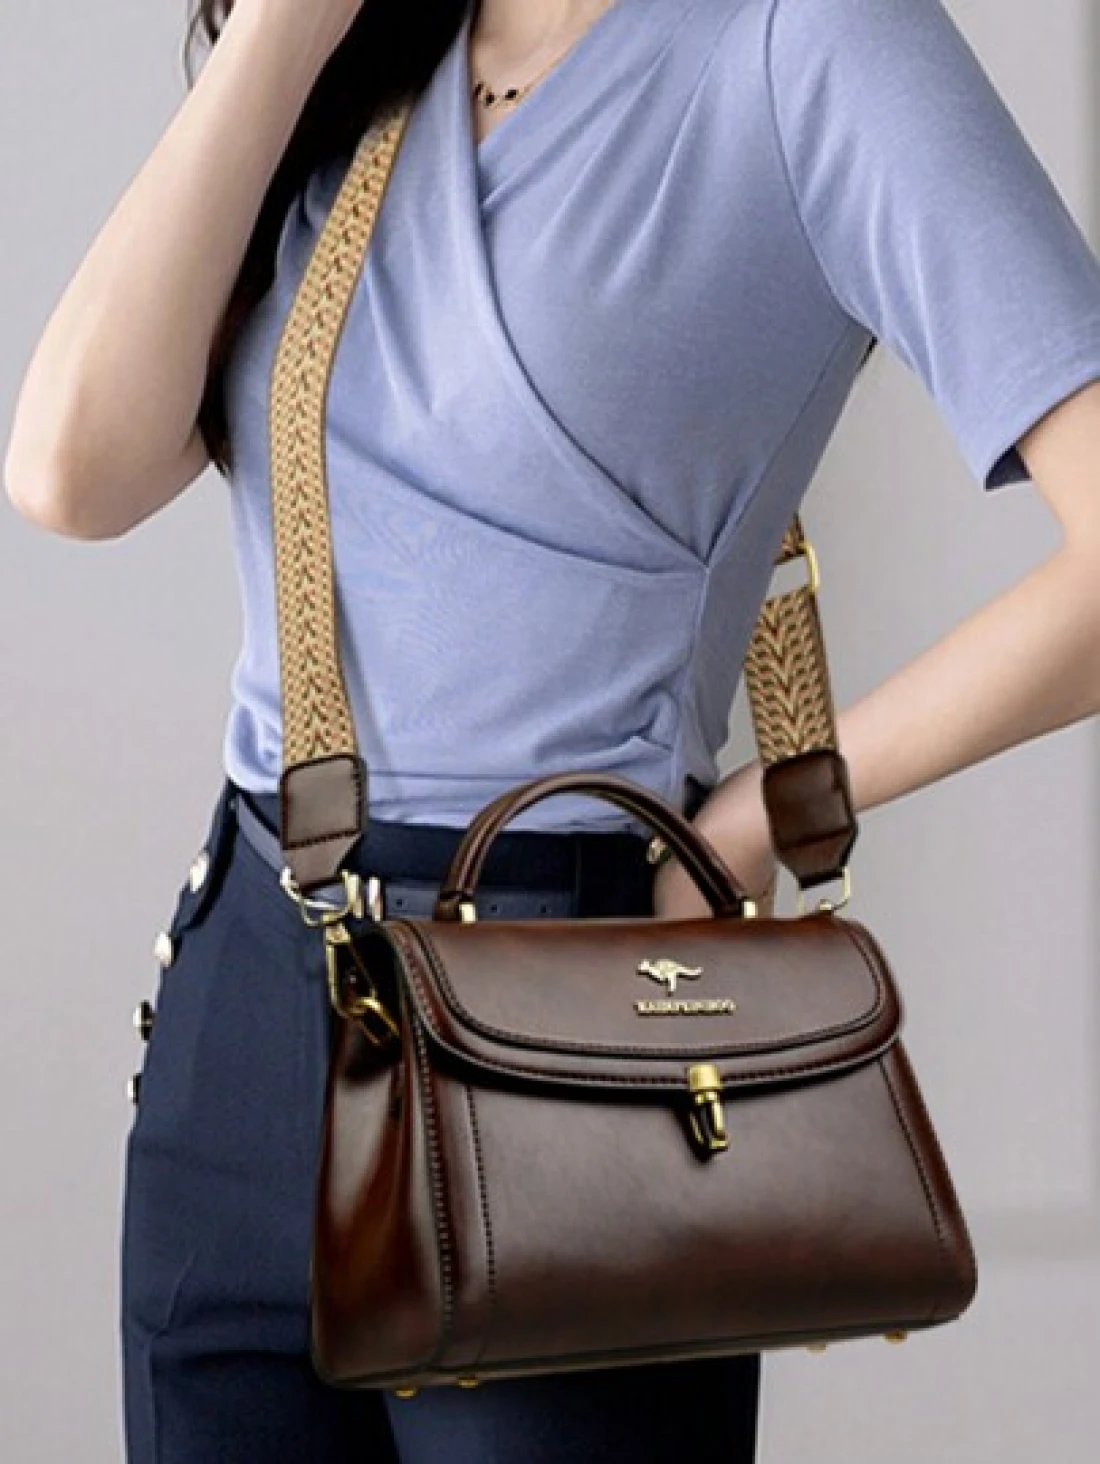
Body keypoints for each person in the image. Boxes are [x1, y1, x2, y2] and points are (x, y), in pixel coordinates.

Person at [7, 0, 1100, 1458]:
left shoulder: (811, 42)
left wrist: (765, 813)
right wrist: (282, 29)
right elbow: (70, 473)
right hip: (248, 1007)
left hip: (571, 1027)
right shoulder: (369, 58)